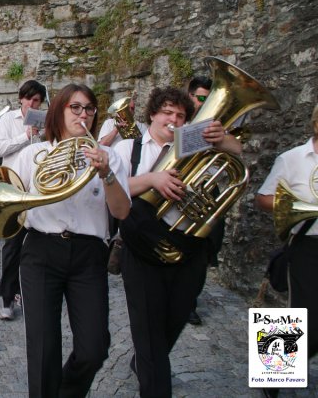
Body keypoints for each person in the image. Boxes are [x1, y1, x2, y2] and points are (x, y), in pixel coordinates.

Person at [114, 86, 236, 398]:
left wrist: (220, 139)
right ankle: (152, 375)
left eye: (181, 115)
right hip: (143, 248)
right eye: (167, 112)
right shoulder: (129, 148)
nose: (174, 119)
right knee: (150, 333)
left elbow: (237, 152)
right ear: (152, 114)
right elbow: (110, 189)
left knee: (177, 318)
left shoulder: (193, 146)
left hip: (188, 247)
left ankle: (278, 378)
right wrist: (152, 180)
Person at [10, 83, 131, 397]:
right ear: (58, 111)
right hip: (41, 250)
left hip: (89, 254)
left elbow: (121, 210)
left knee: (94, 348)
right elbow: (12, 204)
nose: (83, 115)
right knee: (43, 348)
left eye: (89, 109)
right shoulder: (34, 155)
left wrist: (106, 174)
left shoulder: (110, 159)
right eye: (74, 107)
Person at [254, 103, 318, 398]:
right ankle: (272, 372)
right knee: (304, 314)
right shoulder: (292, 159)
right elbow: (263, 198)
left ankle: (280, 364)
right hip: (306, 245)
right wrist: (299, 208)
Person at [186, 76, 243, 325]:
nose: (202, 103)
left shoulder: (218, 125)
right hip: (180, 188)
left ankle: (190, 298)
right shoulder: (178, 120)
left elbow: (238, 149)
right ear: (189, 96)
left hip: (207, 191)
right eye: (199, 98)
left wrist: (220, 138)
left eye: (207, 99)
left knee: (206, 249)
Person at [0, 80, 46, 320]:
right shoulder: (8, 120)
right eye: (29, 99)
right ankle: (7, 297)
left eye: (37, 101)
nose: (33, 104)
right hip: (13, 189)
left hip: (36, 192)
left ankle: (25, 291)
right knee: (12, 247)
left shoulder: (44, 122)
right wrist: (25, 136)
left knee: (36, 245)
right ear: (21, 99)